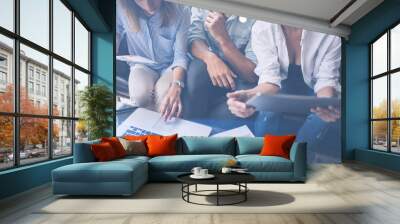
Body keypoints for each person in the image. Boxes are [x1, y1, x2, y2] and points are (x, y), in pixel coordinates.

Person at [227, 21, 341, 161]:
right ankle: (269, 162)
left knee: (319, 121)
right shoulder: (262, 27)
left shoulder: (330, 33)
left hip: (315, 89)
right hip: (279, 88)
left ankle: (297, 159)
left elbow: (326, 80)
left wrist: (326, 105)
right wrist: (249, 97)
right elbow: (270, 80)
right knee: (266, 120)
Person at [116, 0, 190, 120]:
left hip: (170, 66)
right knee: (140, 95)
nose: (148, 5)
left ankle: (165, 132)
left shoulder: (182, 10)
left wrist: (177, 85)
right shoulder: (121, 8)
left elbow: (180, 55)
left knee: (164, 97)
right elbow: (116, 32)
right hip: (141, 64)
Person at [182, 8, 258, 119]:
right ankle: (191, 127)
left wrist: (223, 38)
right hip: (210, 66)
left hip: (240, 75)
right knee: (195, 73)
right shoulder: (203, 6)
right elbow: (194, 38)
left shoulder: (256, 17)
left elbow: (251, 75)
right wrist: (210, 58)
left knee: (234, 111)